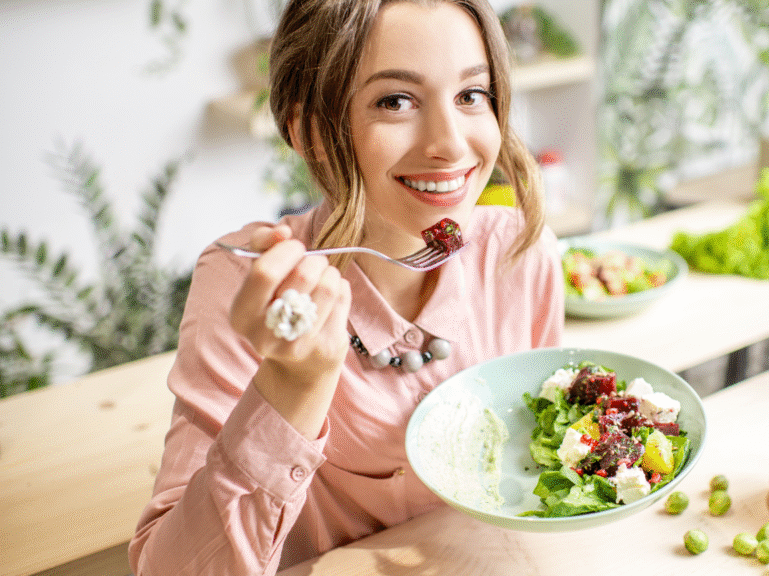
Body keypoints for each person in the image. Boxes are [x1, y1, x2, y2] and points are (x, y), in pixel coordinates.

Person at [129, 0, 564, 573]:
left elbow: (541, 458)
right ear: (308, 130)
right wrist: (293, 384)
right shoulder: (247, 284)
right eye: (395, 101)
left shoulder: (518, 251)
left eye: (470, 95)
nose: (452, 144)